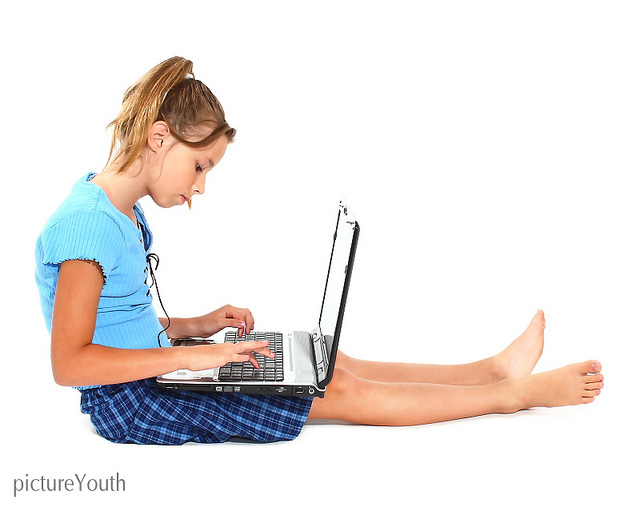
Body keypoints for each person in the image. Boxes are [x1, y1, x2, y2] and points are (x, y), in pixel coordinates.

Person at [35, 57, 604, 444]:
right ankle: (511, 396)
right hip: (130, 404)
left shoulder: (119, 212)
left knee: (329, 362)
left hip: (151, 372)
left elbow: (119, 323)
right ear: (160, 137)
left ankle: (489, 371)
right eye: (200, 166)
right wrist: (190, 357)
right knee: (339, 388)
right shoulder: (88, 227)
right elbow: (71, 363)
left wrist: (197, 326)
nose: (201, 186)